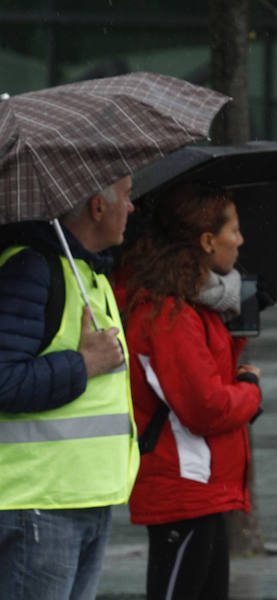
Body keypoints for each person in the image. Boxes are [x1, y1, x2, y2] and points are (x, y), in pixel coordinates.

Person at [119, 184, 262, 600]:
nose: (240, 239)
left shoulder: (194, 305)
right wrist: (250, 390)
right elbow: (206, 406)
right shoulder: (168, 313)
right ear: (206, 241)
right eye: (233, 230)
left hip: (202, 491)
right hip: (184, 489)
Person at [0, 176, 140, 600]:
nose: (132, 208)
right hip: (37, 503)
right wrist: (83, 364)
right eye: (127, 196)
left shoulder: (88, 272)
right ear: (98, 206)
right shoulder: (31, 268)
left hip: (81, 496)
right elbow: (4, 380)